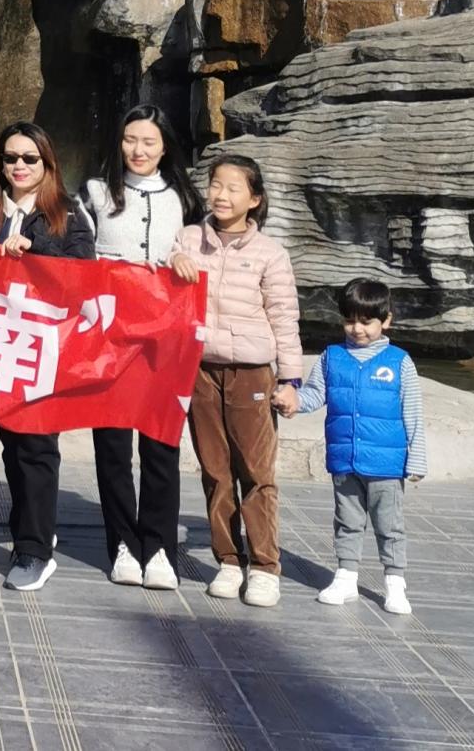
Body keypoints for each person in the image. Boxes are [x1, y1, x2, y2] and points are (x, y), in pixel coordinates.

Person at [0, 120, 95, 592]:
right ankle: (31, 531)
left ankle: (34, 550)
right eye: (10, 158)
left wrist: (37, 252)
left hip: (45, 347)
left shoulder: (66, 214)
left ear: (46, 163)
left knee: (37, 446)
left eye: (29, 158)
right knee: (13, 445)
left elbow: (85, 273)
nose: (19, 166)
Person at [84, 104, 204, 591]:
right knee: (112, 446)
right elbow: (77, 255)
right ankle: (122, 544)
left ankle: (159, 548)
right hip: (110, 335)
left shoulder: (185, 198)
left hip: (166, 338)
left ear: (165, 146)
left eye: (149, 141)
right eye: (130, 140)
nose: (138, 150)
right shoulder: (94, 192)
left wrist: (181, 254)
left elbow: (202, 249)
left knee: (161, 443)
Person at [176, 152, 303, 607]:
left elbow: (284, 316)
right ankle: (229, 561)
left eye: (233, 188)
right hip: (200, 369)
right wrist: (175, 260)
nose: (221, 195)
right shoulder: (189, 239)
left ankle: (265, 567)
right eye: (215, 185)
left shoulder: (270, 253)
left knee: (256, 471)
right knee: (214, 469)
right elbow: (162, 280)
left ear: (255, 199)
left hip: (251, 372)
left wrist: (291, 380)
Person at [299, 277, 424, 616]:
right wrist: (292, 401)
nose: (357, 329)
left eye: (366, 321)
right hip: (345, 460)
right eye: (349, 320)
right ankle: (346, 577)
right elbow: (314, 395)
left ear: (386, 320)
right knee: (347, 520)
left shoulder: (399, 361)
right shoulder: (332, 357)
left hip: (386, 465)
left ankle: (395, 582)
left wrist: (417, 459)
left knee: (389, 525)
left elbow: (412, 411)